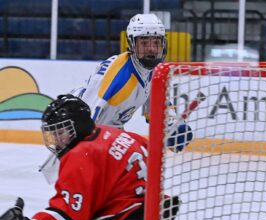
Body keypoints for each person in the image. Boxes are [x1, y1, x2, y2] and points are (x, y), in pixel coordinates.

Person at [0, 94, 178, 220]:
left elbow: (68, 219)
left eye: (61, 132)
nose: (56, 139)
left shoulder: (80, 156)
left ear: (77, 126)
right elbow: (154, 159)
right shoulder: (117, 134)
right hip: (157, 219)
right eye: (53, 134)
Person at [75, 13, 193, 153]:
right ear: (132, 44)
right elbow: (86, 119)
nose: (151, 49)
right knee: (139, 159)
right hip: (83, 134)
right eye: (144, 43)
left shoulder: (151, 70)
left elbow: (156, 106)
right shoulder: (118, 78)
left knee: (141, 156)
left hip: (110, 133)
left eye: (156, 42)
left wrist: (171, 125)